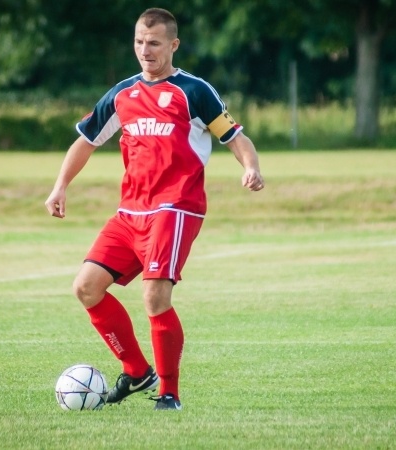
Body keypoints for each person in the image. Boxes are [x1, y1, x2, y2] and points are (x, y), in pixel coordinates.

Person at [44, 7, 264, 411]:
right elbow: (86, 141)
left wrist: (250, 166)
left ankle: (169, 393)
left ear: (173, 45)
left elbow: (235, 136)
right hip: (130, 212)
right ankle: (136, 371)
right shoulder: (122, 94)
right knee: (86, 287)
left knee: (154, 298)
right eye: (139, 42)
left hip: (176, 208)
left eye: (155, 43)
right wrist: (60, 186)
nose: (145, 50)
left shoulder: (194, 91)